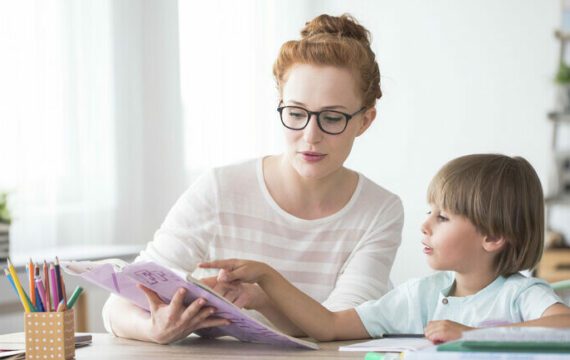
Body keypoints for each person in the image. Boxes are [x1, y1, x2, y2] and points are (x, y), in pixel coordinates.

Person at [102, 14, 404, 344]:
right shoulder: (220, 189)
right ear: (280, 105)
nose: (310, 135)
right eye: (296, 113)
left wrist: (264, 295)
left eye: (332, 118)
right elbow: (118, 304)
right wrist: (154, 328)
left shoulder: (379, 210)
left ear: (365, 120)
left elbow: (342, 326)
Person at [200, 154, 570, 344]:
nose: (425, 225)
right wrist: (266, 283)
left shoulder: (520, 294)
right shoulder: (419, 297)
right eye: (430, 212)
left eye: (443, 218)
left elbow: (564, 324)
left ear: (492, 237)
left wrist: (471, 335)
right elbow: (328, 326)